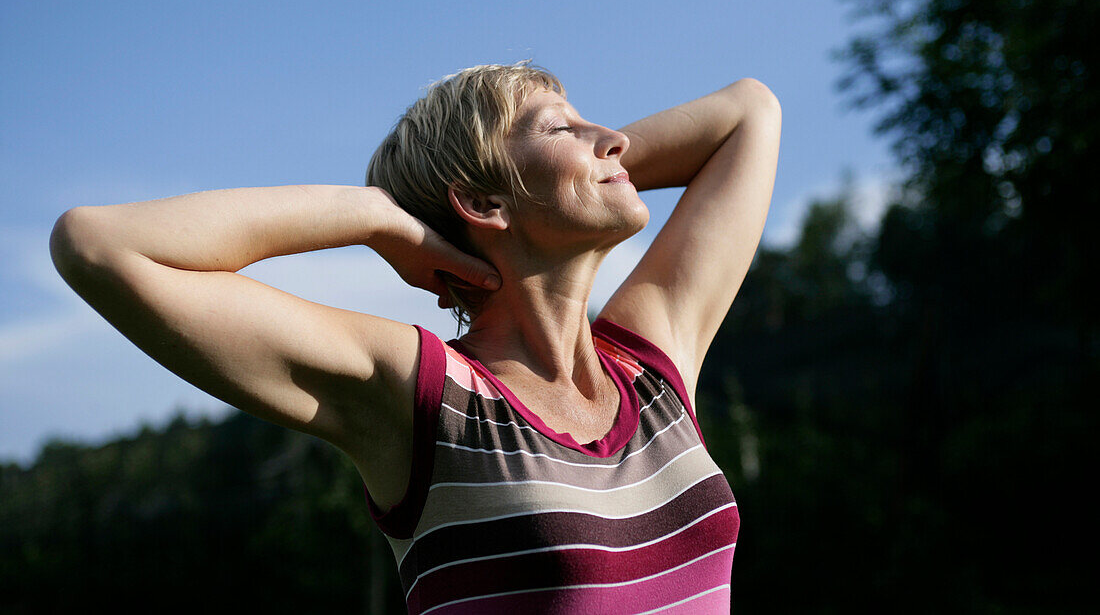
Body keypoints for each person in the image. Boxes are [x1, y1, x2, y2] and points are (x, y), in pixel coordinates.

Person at [49, 62, 781, 613]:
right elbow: (97, 245)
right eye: (562, 127)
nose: (613, 139)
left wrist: (587, 171)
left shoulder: (648, 370)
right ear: (482, 200)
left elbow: (750, 111)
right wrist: (379, 217)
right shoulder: (425, 395)